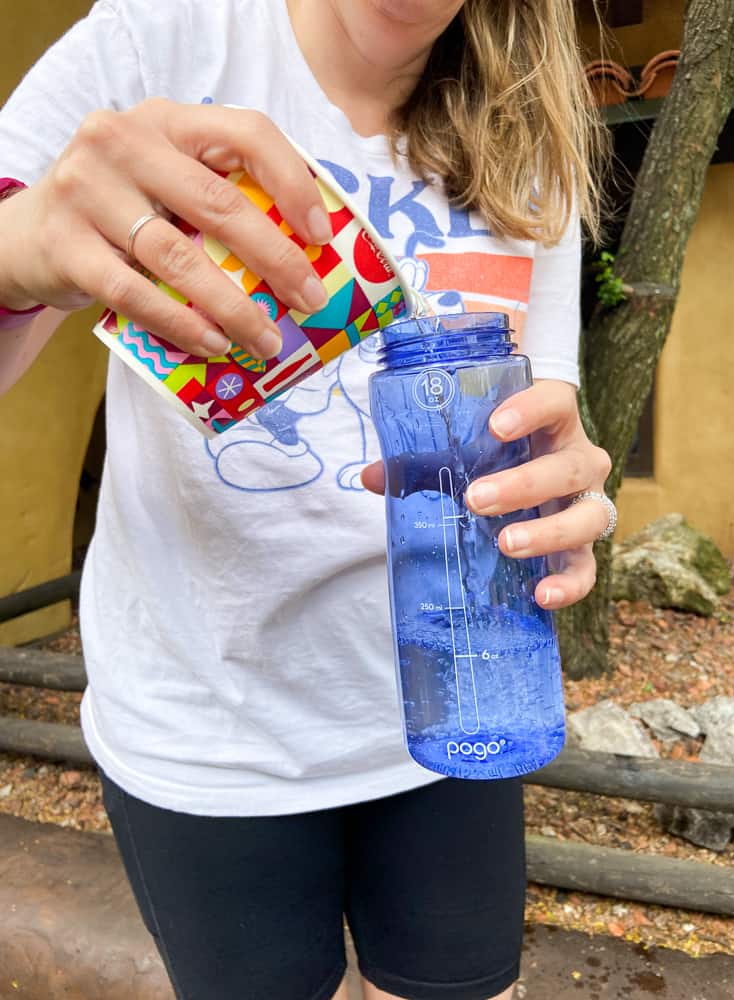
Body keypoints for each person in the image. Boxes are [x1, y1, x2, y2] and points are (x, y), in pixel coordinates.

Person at [0, 2, 614, 998]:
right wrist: (21, 246)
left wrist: (574, 498)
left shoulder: (527, 130)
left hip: (455, 711)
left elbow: (546, 425)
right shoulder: (163, 34)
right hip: (209, 728)